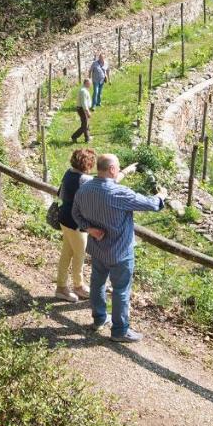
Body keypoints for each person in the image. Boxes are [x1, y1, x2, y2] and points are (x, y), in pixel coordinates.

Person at [72, 153, 165, 343]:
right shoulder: (120, 193)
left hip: (98, 248)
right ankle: (120, 330)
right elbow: (150, 204)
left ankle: (99, 319)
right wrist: (161, 196)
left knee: (97, 284)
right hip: (120, 252)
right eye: (118, 167)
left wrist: (89, 229)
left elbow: (75, 213)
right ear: (112, 169)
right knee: (121, 290)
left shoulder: (85, 188)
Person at [54, 147, 96, 302]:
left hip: (64, 218)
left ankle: (61, 287)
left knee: (67, 253)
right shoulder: (86, 180)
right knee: (79, 254)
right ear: (87, 164)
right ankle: (78, 286)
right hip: (76, 224)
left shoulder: (68, 173)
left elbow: (61, 193)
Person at [71, 78, 93, 143]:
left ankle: (87, 138)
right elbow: (84, 103)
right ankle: (74, 136)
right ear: (86, 83)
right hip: (82, 109)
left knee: (86, 123)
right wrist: (87, 111)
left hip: (83, 109)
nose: (91, 85)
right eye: (90, 83)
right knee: (84, 125)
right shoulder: (83, 91)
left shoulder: (84, 90)